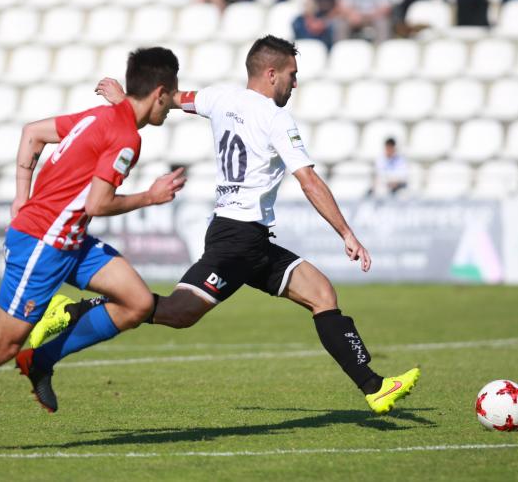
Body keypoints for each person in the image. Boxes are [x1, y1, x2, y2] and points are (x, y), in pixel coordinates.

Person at [29, 35, 420, 417]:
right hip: (238, 238)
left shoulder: (219, 97)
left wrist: (124, 103)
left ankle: (374, 388)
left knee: (320, 292)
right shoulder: (276, 118)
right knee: (178, 312)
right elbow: (309, 180)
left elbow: (173, 100)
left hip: (247, 235)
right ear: (271, 73)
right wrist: (347, 234)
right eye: (292, 74)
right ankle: (76, 312)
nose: (295, 83)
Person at [0, 47, 186, 454]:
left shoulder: (101, 116)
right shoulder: (126, 137)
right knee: (1, 345)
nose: (173, 104)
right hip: (43, 245)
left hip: (70, 240)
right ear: (158, 93)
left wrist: (21, 196)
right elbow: (97, 204)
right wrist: (150, 197)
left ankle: (42, 360)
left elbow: (32, 132)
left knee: (137, 303)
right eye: (171, 96)